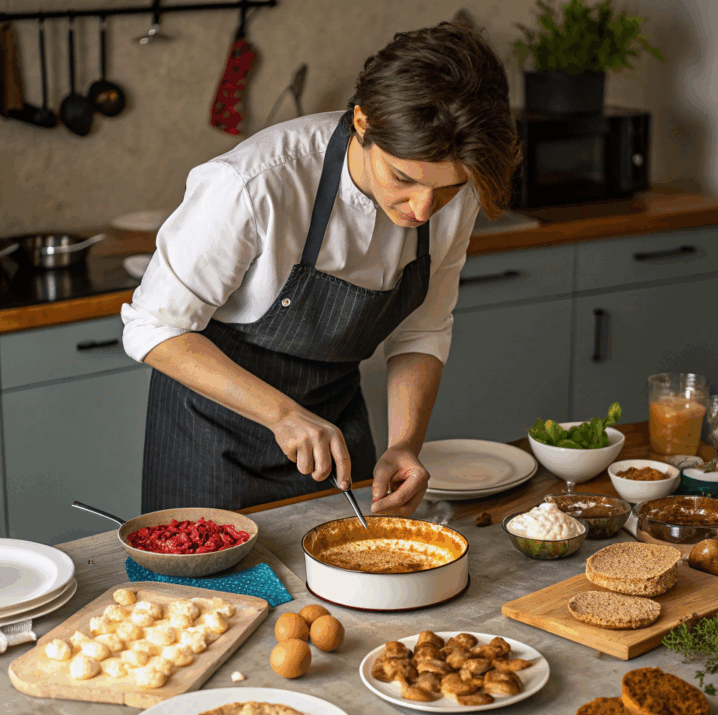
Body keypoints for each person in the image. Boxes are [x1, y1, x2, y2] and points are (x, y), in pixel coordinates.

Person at [121, 21, 521, 517]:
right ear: (361, 122)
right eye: (403, 178)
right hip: (211, 439)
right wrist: (282, 414)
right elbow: (152, 325)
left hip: (334, 433)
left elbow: (423, 328)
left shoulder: (454, 192)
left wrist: (404, 445)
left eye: (446, 189)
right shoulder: (254, 183)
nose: (422, 209)